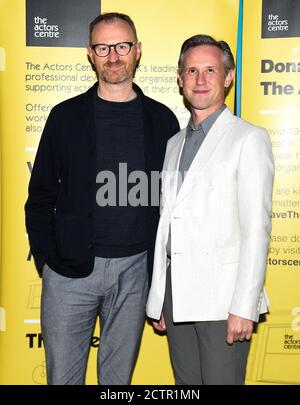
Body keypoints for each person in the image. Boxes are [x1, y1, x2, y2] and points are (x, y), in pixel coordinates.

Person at [25, 12, 179, 385]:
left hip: (134, 272)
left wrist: (160, 275)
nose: (113, 55)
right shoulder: (64, 118)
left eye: (122, 46)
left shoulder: (163, 120)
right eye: (103, 47)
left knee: (117, 383)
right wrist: (46, 261)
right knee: (63, 379)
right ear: (90, 54)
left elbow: (173, 205)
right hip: (69, 273)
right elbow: (40, 196)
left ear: (137, 51)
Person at [146, 34, 274, 385]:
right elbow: (167, 224)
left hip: (223, 301)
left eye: (210, 70)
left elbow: (256, 230)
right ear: (179, 78)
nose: (200, 80)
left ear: (228, 76)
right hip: (176, 297)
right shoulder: (173, 143)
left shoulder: (249, 138)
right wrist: (159, 298)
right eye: (191, 71)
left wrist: (244, 307)